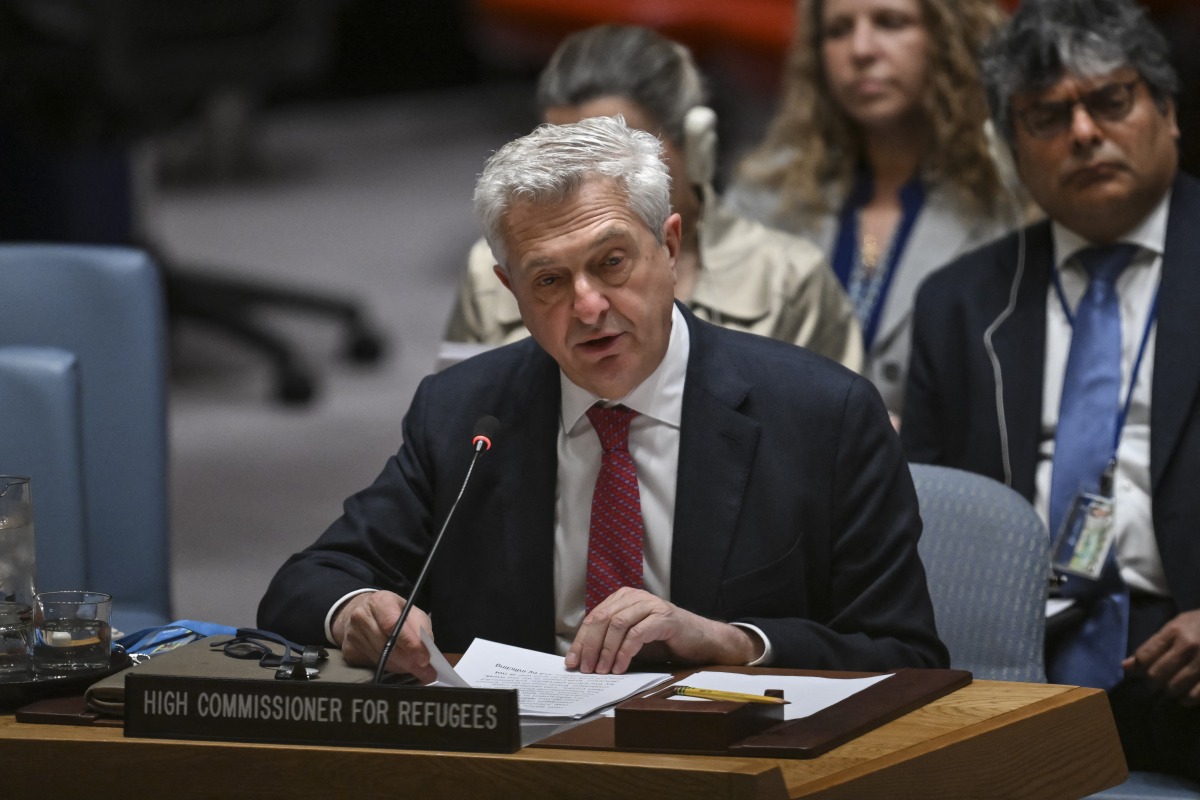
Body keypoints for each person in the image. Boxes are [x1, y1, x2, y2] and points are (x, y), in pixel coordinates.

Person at [259, 115, 946, 684]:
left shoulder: (824, 416)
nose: (588, 307)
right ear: (512, 290)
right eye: (550, 281)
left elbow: (906, 658)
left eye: (611, 263)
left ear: (669, 247)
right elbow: (306, 583)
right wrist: (356, 609)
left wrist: (731, 643)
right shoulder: (466, 414)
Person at [902, 0, 1200, 779]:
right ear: (1009, 148)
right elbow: (918, 534)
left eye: (1111, 102)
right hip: (1012, 660)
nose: (1084, 133)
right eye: (1046, 117)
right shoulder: (959, 304)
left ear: (1167, 112)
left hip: (1184, 645)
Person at [442, 24, 864, 372]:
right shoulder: (493, 272)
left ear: (696, 145)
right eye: (564, 154)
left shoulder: (789, 278)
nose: (585, 180)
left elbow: (832, 448)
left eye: (617, 150)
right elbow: (459, 437)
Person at [728, 0, 1019, 420]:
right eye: (839, 30)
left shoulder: (1008, 201)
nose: (861, 49)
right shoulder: (763, 195)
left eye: (890, 22)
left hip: (932, 475)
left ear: (946, 36)